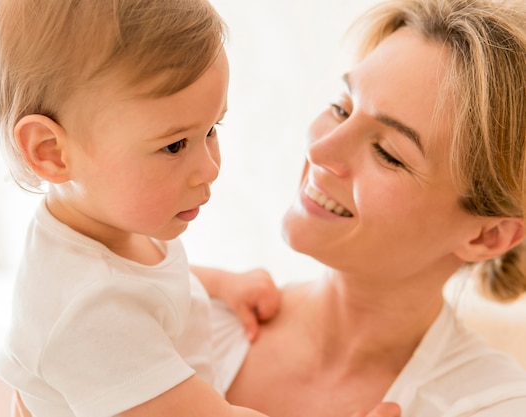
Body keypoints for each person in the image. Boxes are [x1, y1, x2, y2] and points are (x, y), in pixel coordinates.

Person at [0, 0, 400, 416]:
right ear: (51, 151)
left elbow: (140, 279)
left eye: (212, 130)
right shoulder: (88, 313)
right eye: (174, 145)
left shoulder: (99, 228)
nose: (210, 168)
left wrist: (220, 284)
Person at [219, 0, 526, 416]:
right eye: (341, 108)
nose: (321, 148)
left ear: (487, 235)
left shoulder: (493, 405)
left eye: (388, 153)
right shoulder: (182, 310)